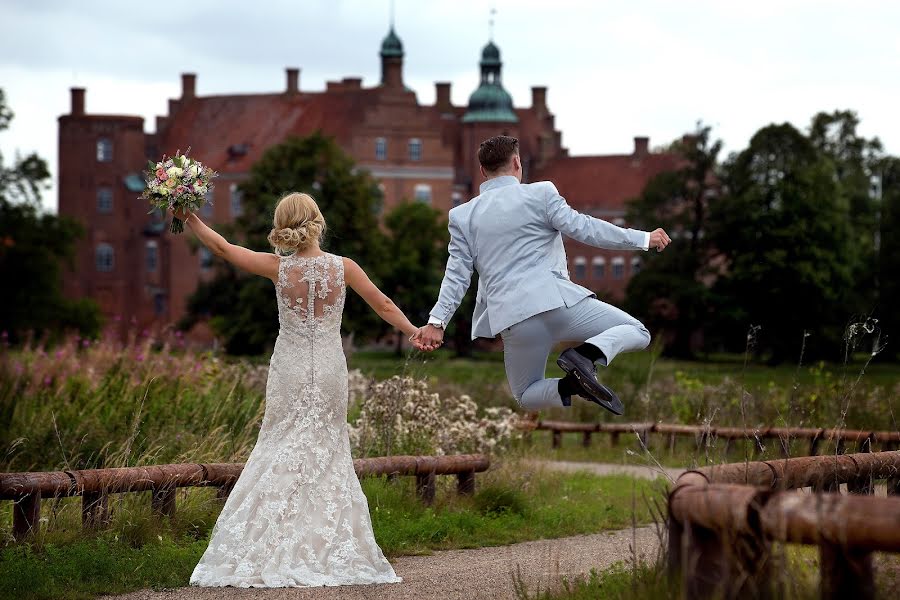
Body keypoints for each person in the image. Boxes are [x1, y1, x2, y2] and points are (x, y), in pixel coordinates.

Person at [183, 192, 414, 588]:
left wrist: (188, 216)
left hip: (289, 369)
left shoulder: (278, 268)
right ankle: (324, 546)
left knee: (279, 445)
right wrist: (415, 332)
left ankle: (270, 540)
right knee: (327, 450)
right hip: (328, 370)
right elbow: (385, 304)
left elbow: (221, 247)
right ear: (317, 221)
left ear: (284, 224)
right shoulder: (343, 268)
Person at [412, 136, 671, 414]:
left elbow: (457, 274)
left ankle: (570, 386)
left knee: (525, 394)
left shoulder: (462, 216)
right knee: (638, 331)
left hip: (514, 319)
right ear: (517, 162)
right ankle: (586, 356)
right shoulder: (541, 194)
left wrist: (437, 322)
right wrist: (642, 239)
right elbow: (585, 228)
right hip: (558, 304)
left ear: (483, 171)